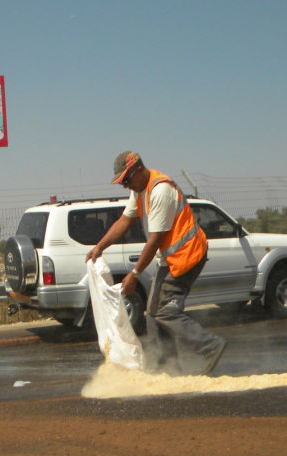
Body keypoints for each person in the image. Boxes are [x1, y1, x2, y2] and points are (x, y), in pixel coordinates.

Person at [87, 151, 226, 375]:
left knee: (165, 312)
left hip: (187, 255)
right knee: (153, 312)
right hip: (171, 258)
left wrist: (134, 274)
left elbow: (154, 241)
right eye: (121, 182)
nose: (124, 186)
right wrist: (99, 247)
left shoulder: (160, 191)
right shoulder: (140, 190)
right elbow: (124, 221)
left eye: (125, 180)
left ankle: (209, 346)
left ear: (139, 170)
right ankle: (166, 365)